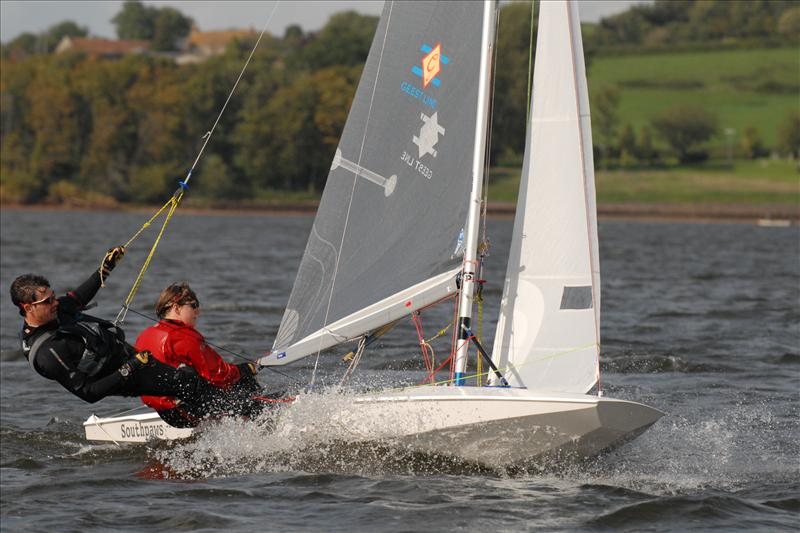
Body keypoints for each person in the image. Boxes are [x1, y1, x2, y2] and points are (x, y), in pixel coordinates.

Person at [10, 248, 263, 426]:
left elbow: (78, 297)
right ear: (27, 308)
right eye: (47, 301)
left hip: (134, 360)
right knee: (189, 383)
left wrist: (105, 268)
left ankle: (243, 410)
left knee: (189, 380)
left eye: (53, 296)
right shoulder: (48, 353)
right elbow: (88, 393)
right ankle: (256, 414)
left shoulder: (57, 309)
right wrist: (129, 369)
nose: (55, 302)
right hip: (126, 376)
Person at [136, 282, 261, 428]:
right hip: (185, 411)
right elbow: (220, 375)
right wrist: (248, 369)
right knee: (243, 381)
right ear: (176, 307)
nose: (198, 312)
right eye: (193, 305)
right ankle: (261, 413)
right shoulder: (183, 335)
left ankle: (243, 416)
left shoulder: (144, 335)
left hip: (165, 412)